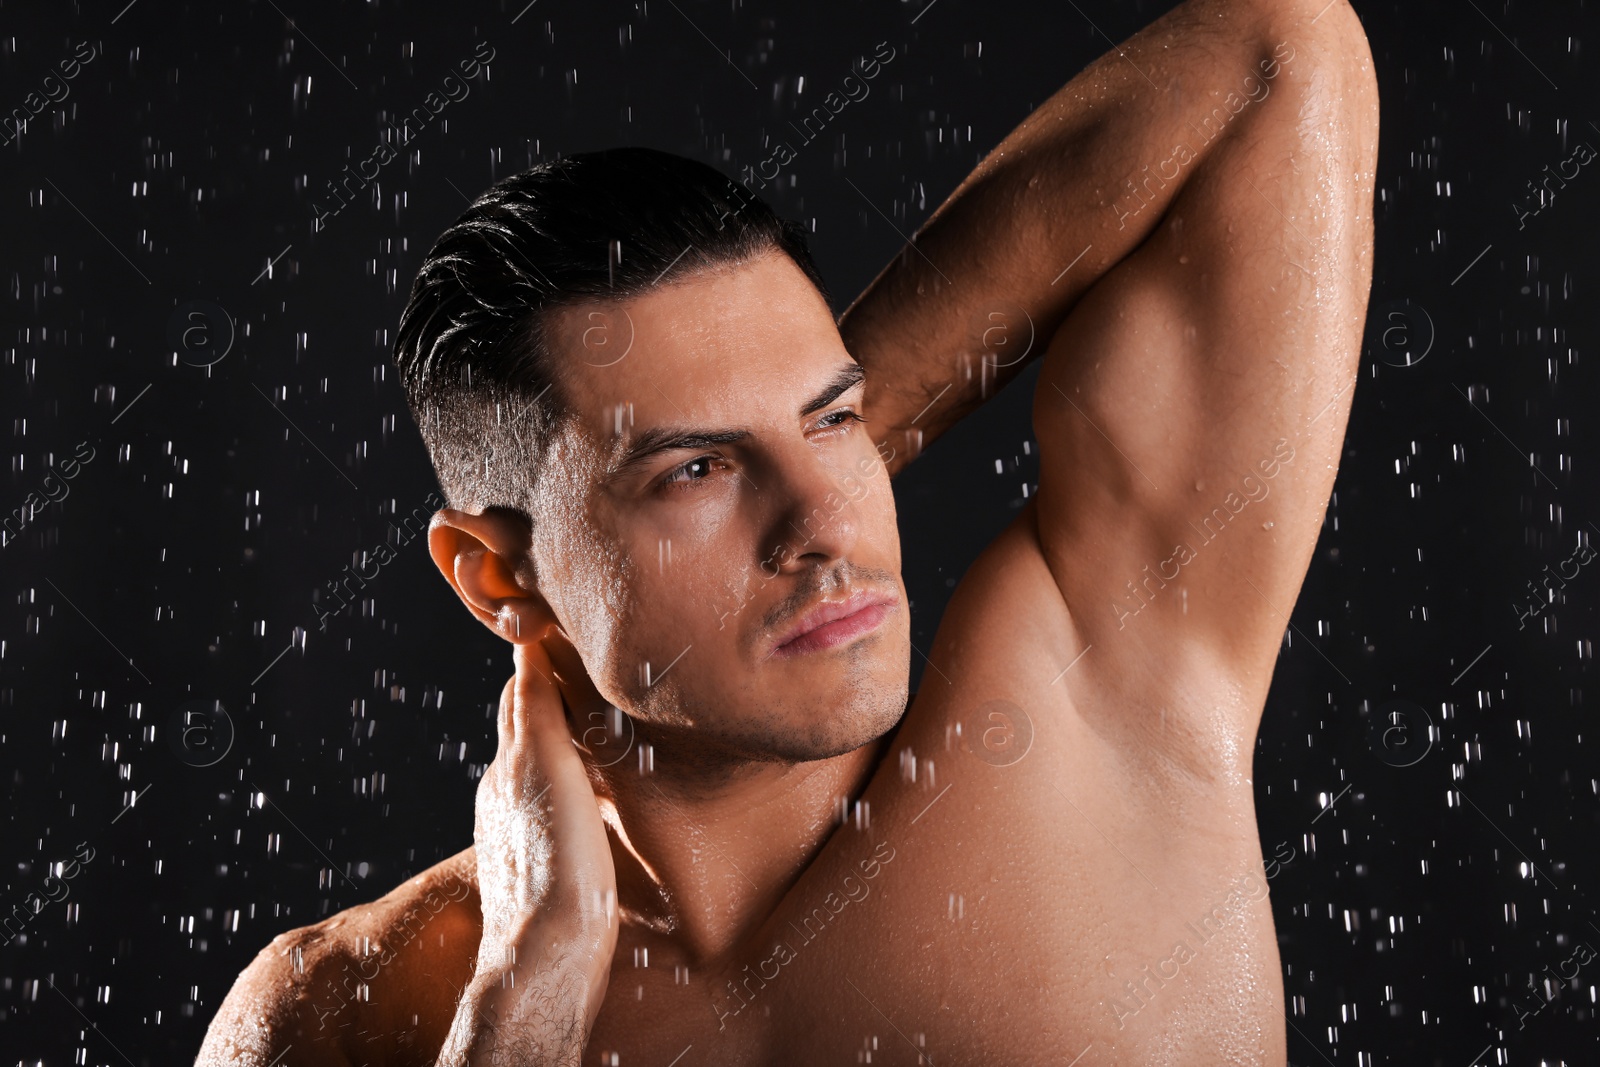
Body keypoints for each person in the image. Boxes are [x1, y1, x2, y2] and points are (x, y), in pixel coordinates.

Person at [198, 0, 1377, 1061]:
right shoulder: (346, 1015)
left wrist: (808, 437)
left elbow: (1276, 53)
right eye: (696, 469)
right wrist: (526, 1000)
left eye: (835, 420)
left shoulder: (1102, 704)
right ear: (498, 573)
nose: (827, 522)